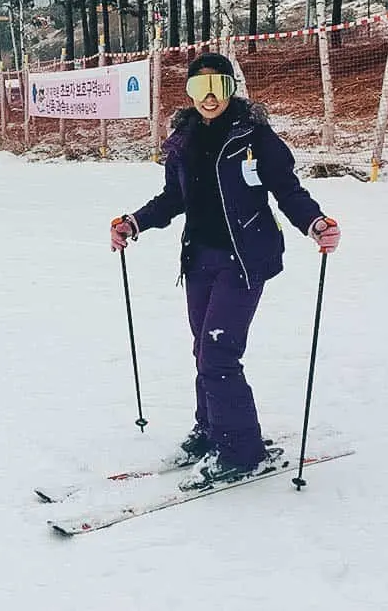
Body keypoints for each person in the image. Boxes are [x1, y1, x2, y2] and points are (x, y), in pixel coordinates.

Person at [109, 52, 341, 490]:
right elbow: (172, 198)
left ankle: (241, 451)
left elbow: (287, 191)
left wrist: (315, 223)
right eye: (199, 88)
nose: (209, 97)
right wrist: (134, 222)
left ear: (232, 88)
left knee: (219, 353)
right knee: (203, 347)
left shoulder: (254, 136)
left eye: (218, 87)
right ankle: (211, 427)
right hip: (200, 258)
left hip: (246, 258)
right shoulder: (182, 138)